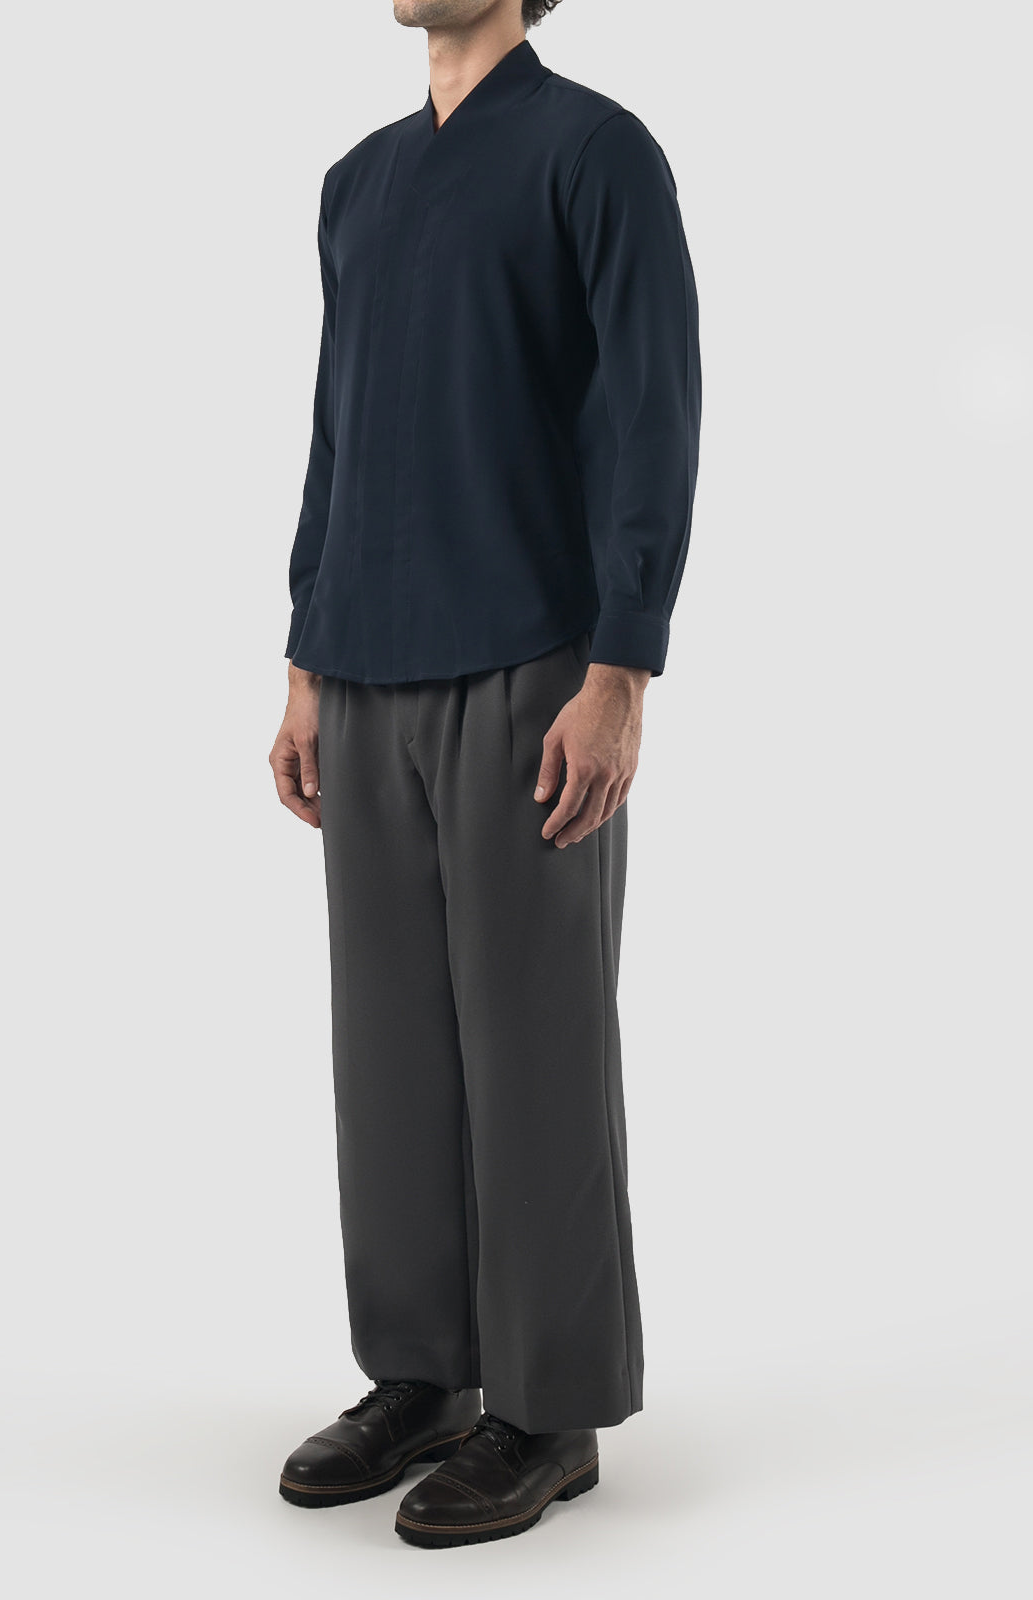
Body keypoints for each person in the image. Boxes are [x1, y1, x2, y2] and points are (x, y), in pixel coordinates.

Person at [268, 0, 700, 1549]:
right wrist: (307, 656)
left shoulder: (595, 154)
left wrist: (620, 670)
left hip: (531, 665)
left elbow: (651, 409)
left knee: (535, 1046)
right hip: (365, 662)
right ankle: (424, 1375)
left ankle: (550, 1407)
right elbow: (338, 431)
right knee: (386, 1049)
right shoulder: (358, 184)